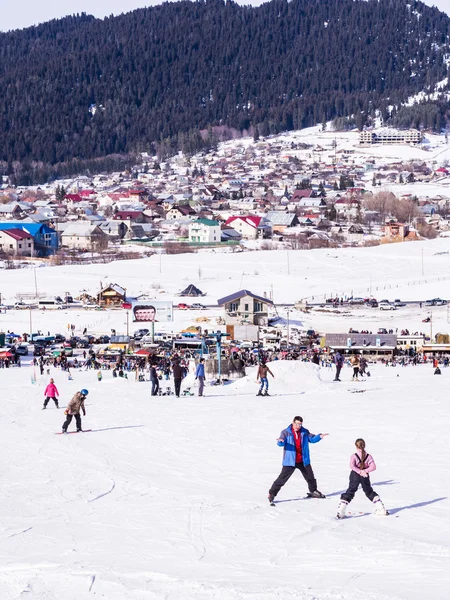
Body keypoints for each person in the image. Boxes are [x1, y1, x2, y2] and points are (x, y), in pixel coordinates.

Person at [268, 416, 329, 504]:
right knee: (282, 478)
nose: (298, 426)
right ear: (293, 422)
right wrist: (280, 441)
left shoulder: (304, 432)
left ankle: (313, 491)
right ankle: (272, 493)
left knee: (310, 477)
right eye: (296, 424)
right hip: (290, 461)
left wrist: (319, 436)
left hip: (303, 460)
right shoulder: (285, 432)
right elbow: (281, 442)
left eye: (300, 424)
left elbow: (311, 439)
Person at [336, 438, 388, 518]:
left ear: (356, 446)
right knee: (369, 491)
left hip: (355, 475)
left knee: (350, 491)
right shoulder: (369, 456)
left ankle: (341, 512)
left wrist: (359, 471)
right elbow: (373, 467)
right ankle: (381, 509)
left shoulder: (354, 456)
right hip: (365, 476)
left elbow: (352, 466)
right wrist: (364, 471)